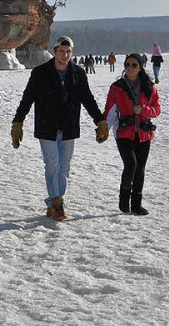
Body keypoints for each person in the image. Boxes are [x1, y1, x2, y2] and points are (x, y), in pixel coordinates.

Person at [11, 36, 109, 221]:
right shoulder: (40, 73)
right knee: (52, 164)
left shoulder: (79, 73)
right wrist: (18, 123)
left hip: (69, 127)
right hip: (47, 127)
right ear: (55, 51)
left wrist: (100, 121)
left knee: (64, 168)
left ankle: (55, 201)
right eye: (61, 51)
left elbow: (87, 99)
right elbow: (27, 99)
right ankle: (57, 204)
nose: (65, 55)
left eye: (68, 52)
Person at [104, 54, 161, 216]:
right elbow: (109, 109)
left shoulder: (150, 87)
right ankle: (123, 199)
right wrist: (104, 128)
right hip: (124, 132)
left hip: (144, 133)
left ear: (141, 67)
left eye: (134, 65)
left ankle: (136, 204)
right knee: (131, 164)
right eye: (127, 64)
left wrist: (144, 110)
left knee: (140, 169)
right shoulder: (117, 87)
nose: (129, 68)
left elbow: (157, 109)